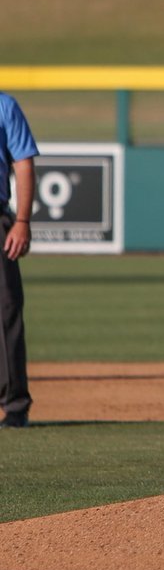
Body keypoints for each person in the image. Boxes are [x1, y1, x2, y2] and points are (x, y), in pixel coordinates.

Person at [0, 93, 38, 430]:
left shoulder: (4, 106)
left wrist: (22, 221)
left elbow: (23, 162)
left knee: (5, 311)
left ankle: (14, 406)